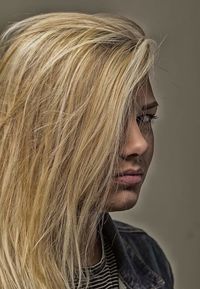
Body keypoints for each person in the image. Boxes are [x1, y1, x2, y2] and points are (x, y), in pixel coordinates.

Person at [0, 12, 174, 289]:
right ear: (37, 131)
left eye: (144, 118)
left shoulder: (148, 258)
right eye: (107, 122)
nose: (139, 144)